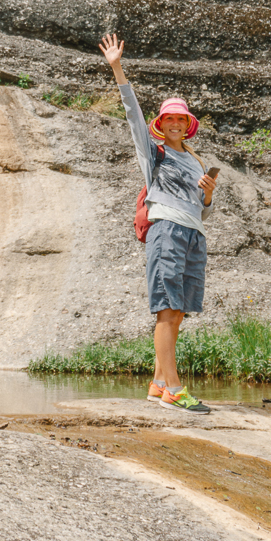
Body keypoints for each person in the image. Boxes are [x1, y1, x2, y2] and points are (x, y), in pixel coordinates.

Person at [98, 32, 217, 413]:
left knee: (178, 311)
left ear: (188, 124)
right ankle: (175, 390)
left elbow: (202, 209)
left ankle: (158, 383)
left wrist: (208, 194)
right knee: (167, 308)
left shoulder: (196, 161)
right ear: (161, 124)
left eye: (181, 119)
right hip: (166, 229)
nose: (175, 124)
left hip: (193, 233)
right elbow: (133, 115)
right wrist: (118, 68)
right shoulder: (154, 154)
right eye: (170, 119)